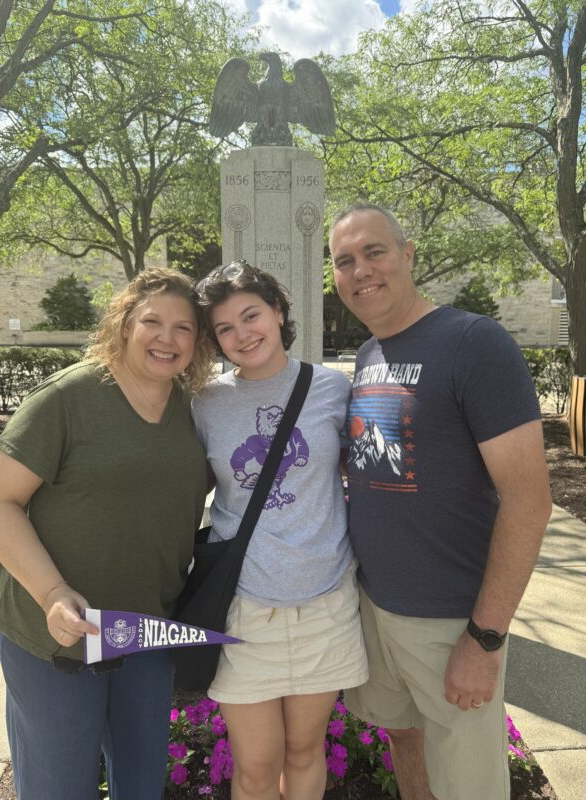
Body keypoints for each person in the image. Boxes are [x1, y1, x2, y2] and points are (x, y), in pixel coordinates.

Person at [329, 202, 553, 800]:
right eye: (344, 261)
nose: (360, 270)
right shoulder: (369, 354)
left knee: (468, 785)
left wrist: (485, 638)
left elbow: (529, 502)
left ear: (408, 254)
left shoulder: (474, 343)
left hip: (451, 621)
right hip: (375, 606)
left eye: (374, 252)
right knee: (405, 739)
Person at [0, 268, 214, 800]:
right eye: (152, 321)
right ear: (124, 323)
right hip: (59, 639)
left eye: (183, 328)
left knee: (141, 785)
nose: (167, 338)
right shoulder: (68, 398)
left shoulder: (195, 409)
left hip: (147, 634)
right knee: (59, 789)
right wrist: (51, 592)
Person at [193, 261, 368, 800]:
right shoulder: (205, 403)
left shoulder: (331, 388)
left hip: (325, 604)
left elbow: (365, 471)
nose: (242, 335)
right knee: (256, 768)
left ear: (278, 312)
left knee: (304, 752)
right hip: (245, 608)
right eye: (225, 328)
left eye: (251, 316)